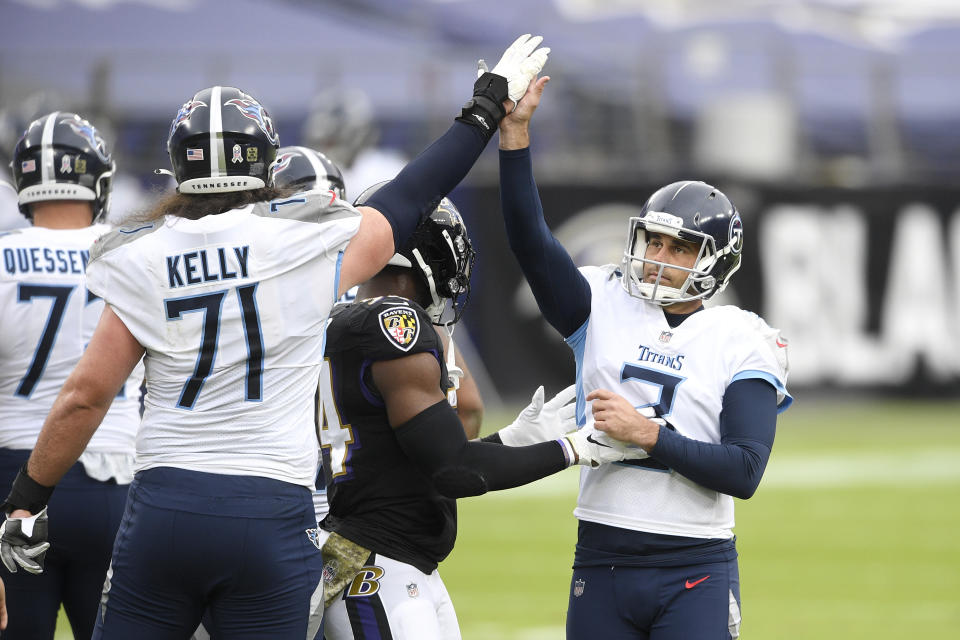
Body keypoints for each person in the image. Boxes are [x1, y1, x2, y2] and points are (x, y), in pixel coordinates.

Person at [0, 33, 552, 640]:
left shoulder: (140, 253)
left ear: (179, 164)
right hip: (271, 510)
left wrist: (28, 495)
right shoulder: (302, 242)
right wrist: (485, 108)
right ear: (262, 161)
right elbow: (414, 193)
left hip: (166, 504)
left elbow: (87, 394)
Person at [493, 76, 792, 640]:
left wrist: (648, 434)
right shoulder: (602, 301)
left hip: (695, 566)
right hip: (600, 555)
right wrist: (515, 134)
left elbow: (746, 470)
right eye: (653, 241)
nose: (658, 256)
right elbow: (529, 240)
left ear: (715, 260)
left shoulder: (743, 337)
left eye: (679, 247)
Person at [318, 184, 645, 640]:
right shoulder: (393, 323)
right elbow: (455, 470)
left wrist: (510, 441)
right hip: (379, 566)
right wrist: (569, 449)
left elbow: (417, 464)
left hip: (393, 560)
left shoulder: (346, 317)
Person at [0, 111, 143, 640]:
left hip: (13, 477)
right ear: (98, 180)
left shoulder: (2, 258)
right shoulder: (135, 255)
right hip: (115, 481)